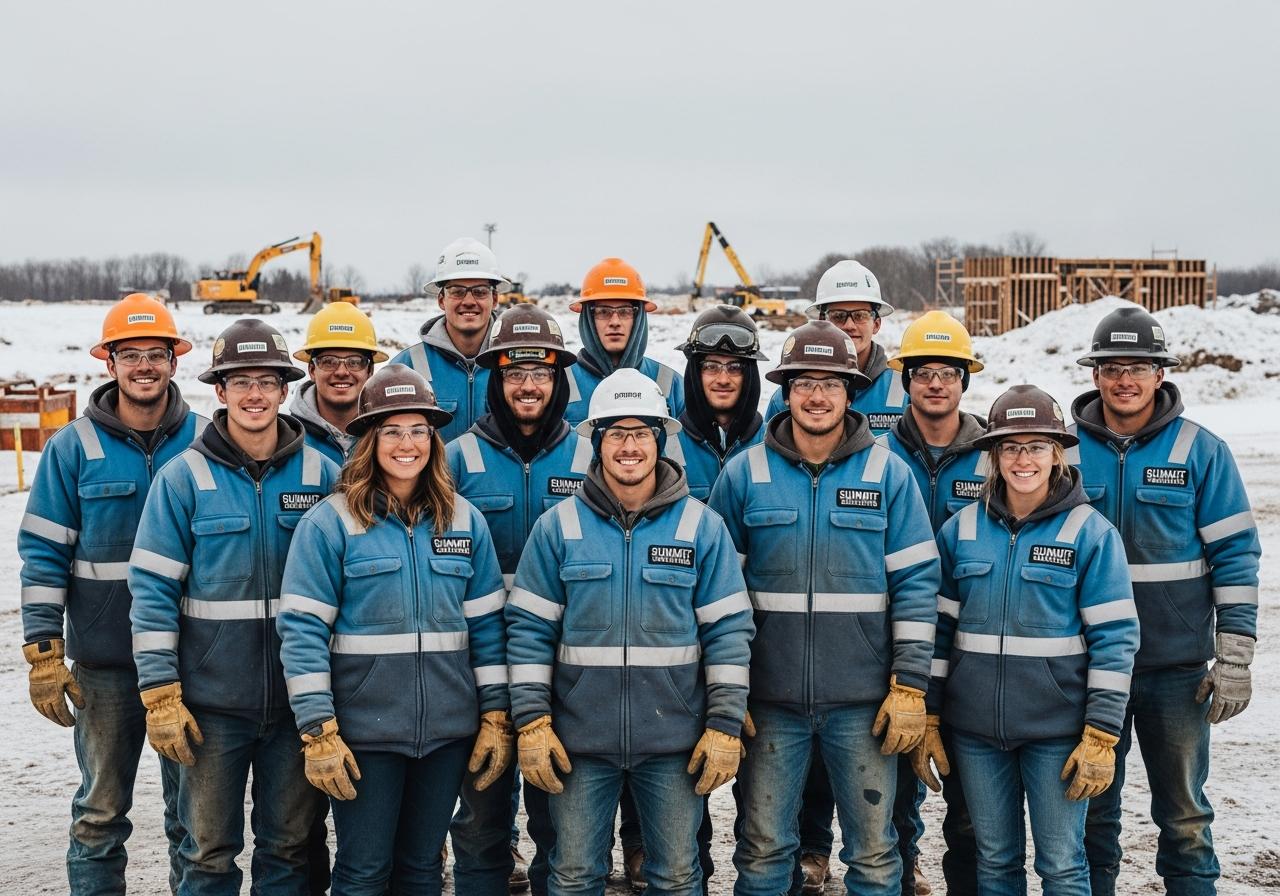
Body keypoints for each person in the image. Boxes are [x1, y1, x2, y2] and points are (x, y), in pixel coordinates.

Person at [711, 321, 942, 896]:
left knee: (874, 852)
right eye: (804, 383)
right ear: (785, 391)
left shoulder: (888, 474)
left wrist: (909, 685)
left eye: (832, 384)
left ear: (851, 391)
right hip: (770, 706)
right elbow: (718, 598)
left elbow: (916, 584)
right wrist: (729, 691)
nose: (817, 396)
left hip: (863, 704)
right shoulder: (744, 473)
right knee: (763, 849)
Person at [507, 368, 755, 896]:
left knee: (676, 876)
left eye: (641, 432)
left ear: (659, 440)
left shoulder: (700, 527)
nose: (629, 446)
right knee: (573, 876)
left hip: (673, 743)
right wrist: (532, 721)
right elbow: (528, 630)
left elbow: (730, 632)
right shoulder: (559, 527)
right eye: (616, 433)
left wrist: (724, 723)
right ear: (596, 443)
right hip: (578, 743)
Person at [277, 364, 510, 896]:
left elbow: (488, 627)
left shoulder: (464, 521)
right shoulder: (330, 523)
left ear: (434, 439)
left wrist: (495, 712)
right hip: (364, 736)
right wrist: (319, 729)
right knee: (363, 871)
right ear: (367, 439)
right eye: (391, 431)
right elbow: (303, 631)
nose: (407, 444)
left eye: (418, 431)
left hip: (449, 733)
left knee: (423, 868)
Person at [128, 319, 341, 895]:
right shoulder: (182, 480)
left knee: (291, 848)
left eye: (266, 382)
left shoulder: (326, 476)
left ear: (283, 389)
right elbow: (151, 594)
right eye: (240, 381)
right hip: (210, 708)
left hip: (298, 707)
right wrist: (160, 693)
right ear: (218, 392)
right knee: (206, 852)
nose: (254, 394)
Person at [1070, 305, 1261, 896]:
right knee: (1092, 812)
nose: (1124, 379)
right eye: (1111, 367)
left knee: (1183, 814)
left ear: (1161, 373)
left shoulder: (1201, 451)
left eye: (1138, 367)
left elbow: (1235, 556)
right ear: (1095, 375)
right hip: (1087, 666)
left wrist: (1234, 654)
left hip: (1175, 671)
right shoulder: (1063, 450)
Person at [18, 294, 203, 895]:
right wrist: (44, 651)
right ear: (110, 362)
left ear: (175, 361)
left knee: (193, 823)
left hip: (192, 664)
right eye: (131, 354)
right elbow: (45, 553)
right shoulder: (73, 448)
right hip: (105, 667)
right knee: (99, 817)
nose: (144, 366)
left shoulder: (207, 441)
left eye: (156, 353)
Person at [930, 384, 1139, 894]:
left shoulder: (1090, 533)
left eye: (1037, 446)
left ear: (1057, 453)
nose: (1024, 459)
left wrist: (1101, 733)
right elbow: (938, 632)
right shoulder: (961, 530)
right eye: (1010, 447)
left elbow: (1115, 638)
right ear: (994, 456)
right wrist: (931, 711)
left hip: (1058, 735)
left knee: (1062, 865)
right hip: (976, 733)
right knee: (995, 862)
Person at [447, 304, 591, 896]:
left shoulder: (590, 457)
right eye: (513, 373)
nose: (527, 385)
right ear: (494, 381)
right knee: (481, 816)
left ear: (560, 379)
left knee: (560, 816)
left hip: (565, 667)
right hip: (476, 664)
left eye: (541, 373)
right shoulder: (453, 459)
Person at [881, 311, 989, 896]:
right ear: (906, 381)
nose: (936, 384)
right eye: (924, 372)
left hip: (972, 641)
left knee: (969, 787)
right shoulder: (875, 456)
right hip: (897, 635)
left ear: (965, 381)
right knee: (897, 774)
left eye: (949, 373)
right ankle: (905, 871)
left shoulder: (994, 457)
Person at [390, 237, 511, 442]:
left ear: (495, 299)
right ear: (441, 300)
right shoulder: (406, 367)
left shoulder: (518, 361)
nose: (469, 301)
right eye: (457, 292)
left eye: (480, 291)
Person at [764, 260, 905, 435]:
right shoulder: (788, 398)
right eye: (838, 316)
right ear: (821, 322)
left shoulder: (904, 391)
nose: (849, 325)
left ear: (876, 324)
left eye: (860, 316)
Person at [561, 257, 685, 429]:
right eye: (603, 311)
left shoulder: (670, 384)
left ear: (639, 317)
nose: (614, 321)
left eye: (625, 312)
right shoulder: (560, 383)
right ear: (588, 318)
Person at [664, 304, 769, 502]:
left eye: (735, 367)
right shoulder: (664, 446)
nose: (723, 379)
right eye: (711, 367)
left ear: (750, 374)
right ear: (695, 372)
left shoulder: (772, 445)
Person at [291, 300, 389, 464]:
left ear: (370, 371)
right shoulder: (288, 440)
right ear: (312, 370)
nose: (342, 372)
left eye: (354, 362)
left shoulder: (390, 438)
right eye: (329, 361)